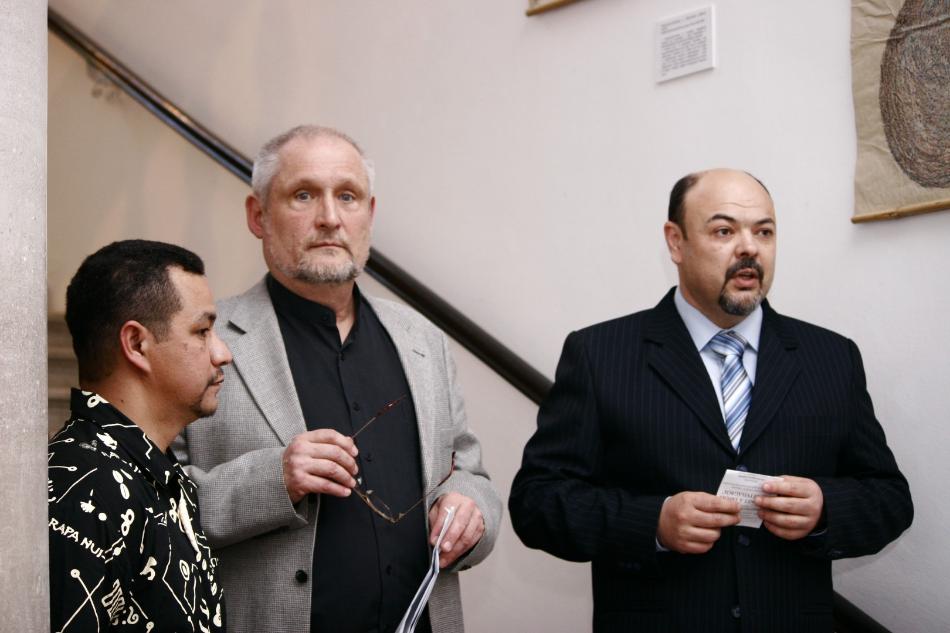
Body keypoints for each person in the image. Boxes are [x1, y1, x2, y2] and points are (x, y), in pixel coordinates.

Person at [508, 168, 913, 632]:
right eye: (724, 231)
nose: (749, 248)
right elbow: (537, 502)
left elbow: (889, 498)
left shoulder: (832, 358)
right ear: (675, 242)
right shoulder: (599, 355)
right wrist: (653, 523)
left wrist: (825, 508)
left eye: (764, 232)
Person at [173, 125, 502, 633]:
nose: (329, 217)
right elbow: (152, 508)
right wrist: (274, 479)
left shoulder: (423, 340)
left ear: (369, 214)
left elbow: (468, 471)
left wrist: (472, 509)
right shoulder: (204, 341)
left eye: (347, 196)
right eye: (303, 195)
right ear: (258, 216)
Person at [48, 239, 232, 632]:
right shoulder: (82, 491)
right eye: (202, 330)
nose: (222, 353)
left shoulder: (156, 471)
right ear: (136, 344)